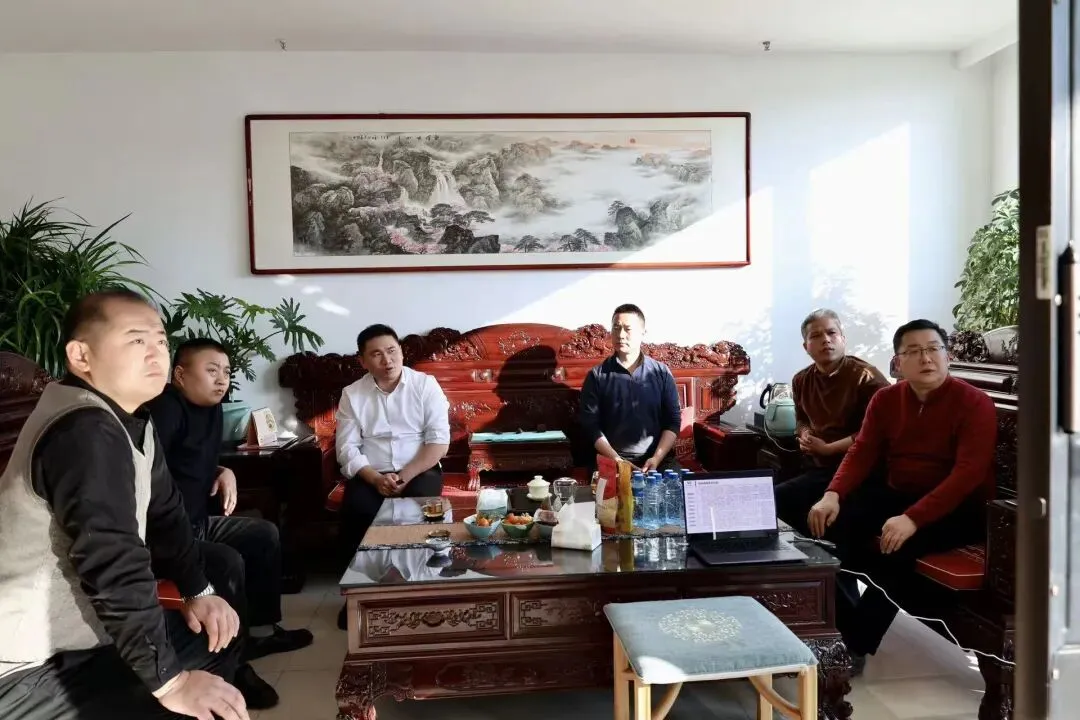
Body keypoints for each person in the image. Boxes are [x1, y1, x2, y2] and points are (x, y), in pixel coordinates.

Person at [0, 289, 249, 720]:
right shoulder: (84, 430)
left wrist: (198, 590)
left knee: (217, 633)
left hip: (84, 633)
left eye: (161, 341)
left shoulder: (130, 418)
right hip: (26, 659)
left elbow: (166, 513)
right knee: (175, 692)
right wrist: (171, 682)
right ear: (81, 355)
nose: (156, 354)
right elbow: (114, 561)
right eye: (136, 340)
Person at [804, 319, 997, 673]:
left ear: (948, 356)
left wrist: (913, 519)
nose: (926, 358)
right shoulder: (887, 399)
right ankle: (836, 624)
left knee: (897, 550)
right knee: (827, 526)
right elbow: (862, 451)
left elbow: (967, 475)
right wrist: (832, 494)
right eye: (914, 351)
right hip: (899, 494)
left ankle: (854, 646)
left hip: (958, 508)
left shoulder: (974, 403)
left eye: (934, 349)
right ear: (897, 362)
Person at [146, 339, 313, 692]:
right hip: (167, 535)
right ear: (180, 375)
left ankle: (261, 633)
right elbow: (152, 475)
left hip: (198, 523)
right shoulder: (165, 410)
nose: (221, 379)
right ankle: (233, 663)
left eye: (226, 372)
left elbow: (188, 462)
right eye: (211, 371)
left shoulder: (210, 409)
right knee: (227, 561)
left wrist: (223, 470)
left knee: (263, 534)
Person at [335, 324, 451, 628]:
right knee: (357, 511)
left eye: (391, 351)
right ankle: (356, 597)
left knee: (422, 509)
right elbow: (347, 448)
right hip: (371, 473)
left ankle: (423, 589)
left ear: (401, 351)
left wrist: (404, 476)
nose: (387, 360)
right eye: (376, 354)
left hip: (419, 469)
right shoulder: (352, 394)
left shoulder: (425, 386)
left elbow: (438, 442)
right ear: (363, 361)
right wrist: (375, 478)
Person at [775, 309, 889, 536]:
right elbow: (801, 419)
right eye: (816, 336)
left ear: (843, 339)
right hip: (819, 469)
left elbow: (879, 432)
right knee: (773, 500)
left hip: (860, 472)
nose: (826, 340)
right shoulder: (801, 379)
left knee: (830, 520)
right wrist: (804, 434)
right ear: (806, 346)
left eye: (831, 333)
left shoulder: (866, 377)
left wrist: (829, 448)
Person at [578, 303, 682, 472]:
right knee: (605, 486)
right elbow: (591, 427)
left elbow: (673, 421)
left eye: (627, 329)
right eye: (616, 328)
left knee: (680, 484)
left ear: (643, 332)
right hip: (612, 460)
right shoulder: (597, 376)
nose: (620, 335)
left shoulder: (661, 372)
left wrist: (656, 458)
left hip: (657, 460)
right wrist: (618, 461)